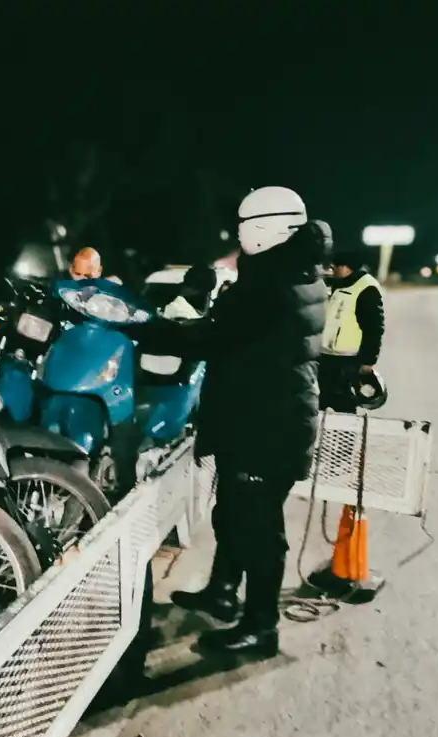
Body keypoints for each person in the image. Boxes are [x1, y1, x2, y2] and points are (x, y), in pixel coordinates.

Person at [127, 186, 328, 657]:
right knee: (234, 513)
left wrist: (146, 328)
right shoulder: (289, 271)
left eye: (245, 225)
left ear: (269, 228)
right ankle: (221, 591)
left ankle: (261, 626)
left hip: (267, 425)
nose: (239, 235)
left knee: (257, 528)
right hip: (266, 417)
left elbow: (214, 337)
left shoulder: (272, 285)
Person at [319, 251, 384, 412]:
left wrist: (368, 360)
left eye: (337, 265)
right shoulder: (337, 283)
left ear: (347, 268)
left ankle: (345, 437)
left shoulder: (366, 288)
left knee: (344, 405)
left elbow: (374, 328)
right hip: (325, 356)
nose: (332, 268)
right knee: (319, 401)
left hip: (349, 360)